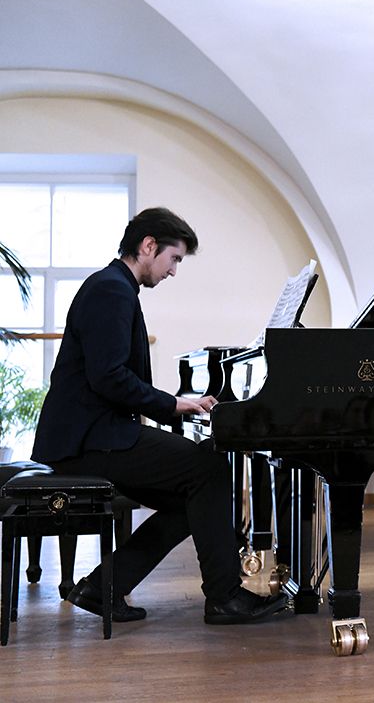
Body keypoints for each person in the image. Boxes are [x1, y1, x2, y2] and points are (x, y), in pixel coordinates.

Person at [31, 207, 288, 625]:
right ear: (149, 246)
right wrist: (173, 405)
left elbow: (112, 377)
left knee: (192, 500)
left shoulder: (114, 287)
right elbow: (108, 377)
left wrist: (171, 405)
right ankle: (224, 596)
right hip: (88, 440)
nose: (173, 271)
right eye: (174, 259)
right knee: (207, 468)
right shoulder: (112, 290)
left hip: (94, 434)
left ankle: (102, 587)